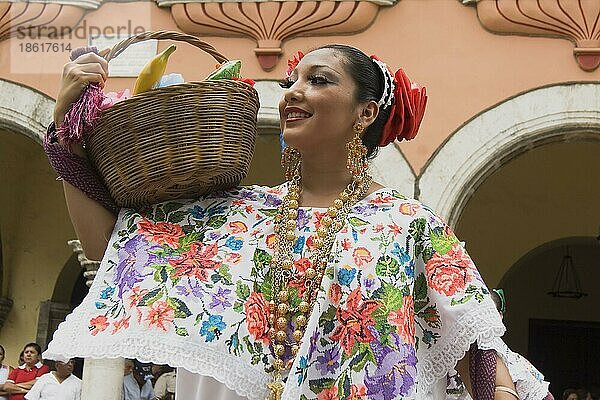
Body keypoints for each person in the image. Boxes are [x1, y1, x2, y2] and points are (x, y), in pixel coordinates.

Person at [42, 44, 520, 399]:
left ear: (366, 112)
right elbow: (111, 249)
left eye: (320, 80)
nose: (293, 91)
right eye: (292, 80)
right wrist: (65, 128)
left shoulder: (409, 225)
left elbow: (473, 341)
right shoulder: (232, 211)